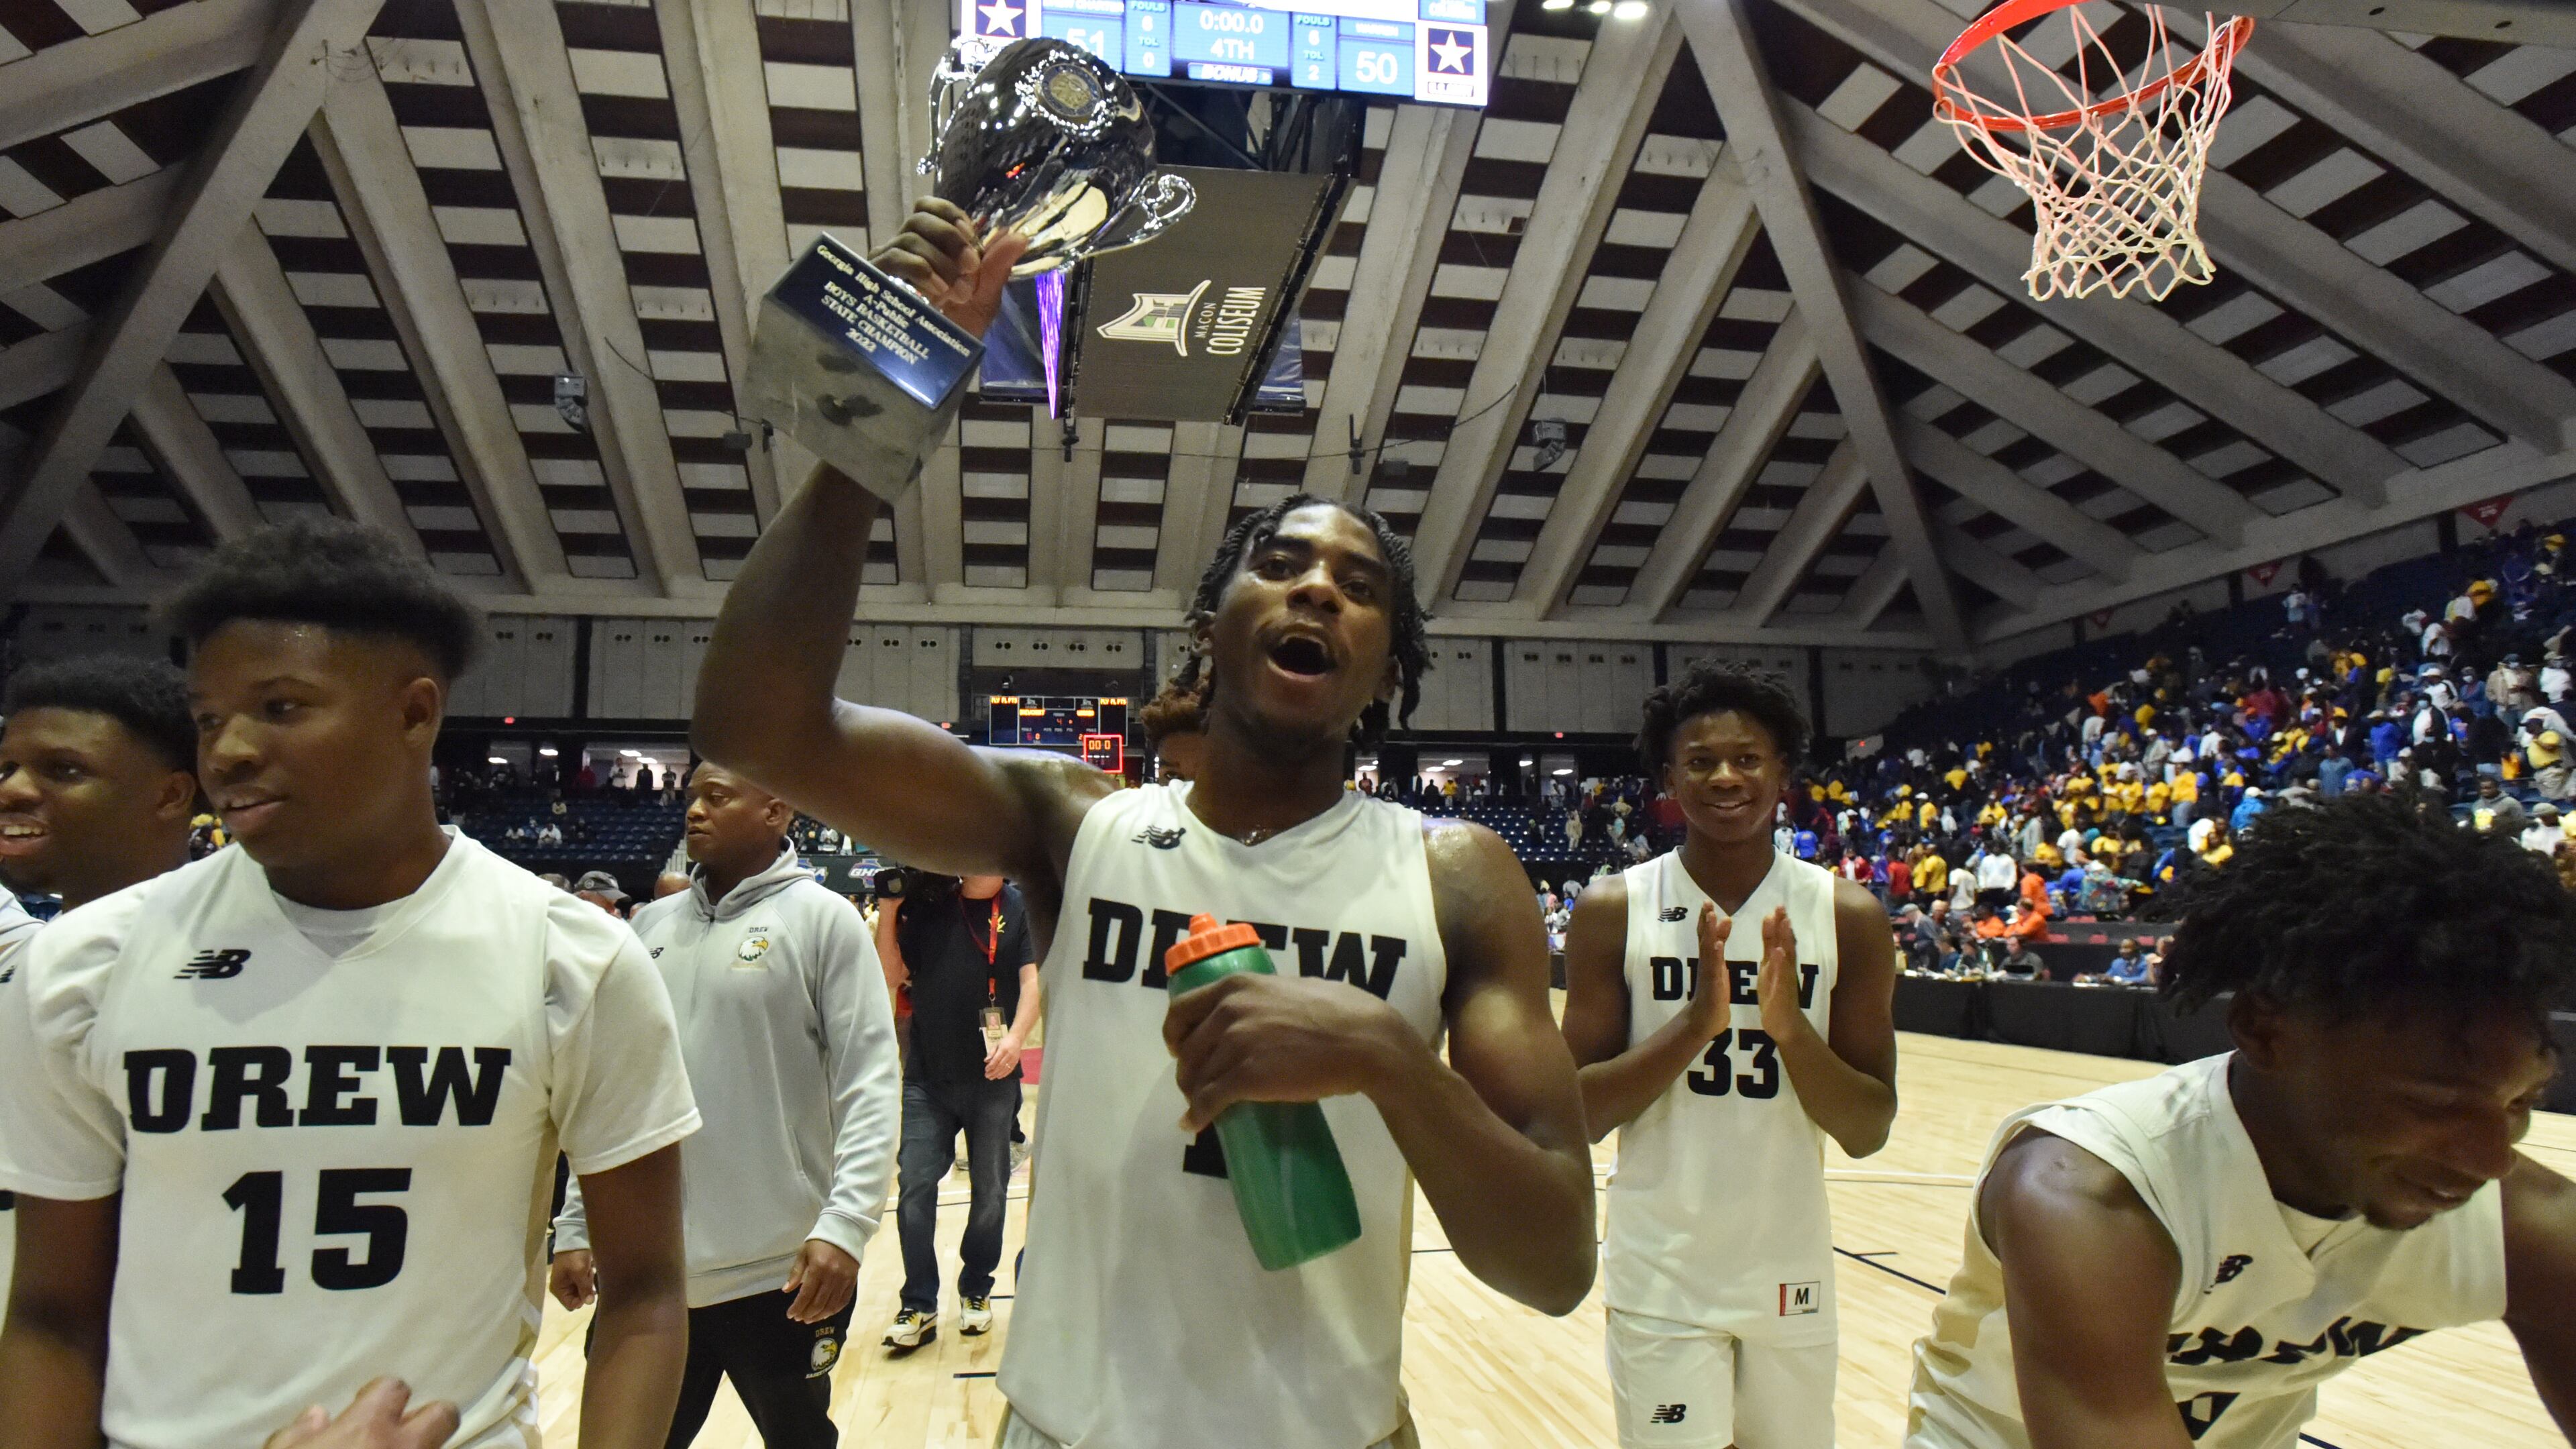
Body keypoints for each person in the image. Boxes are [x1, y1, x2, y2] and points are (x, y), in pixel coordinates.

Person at [689, 196, 1595, 1449]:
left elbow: (1554, 1259)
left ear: (1388, 671)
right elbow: (757, 728)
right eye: (1283, 565)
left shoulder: (1455, 877)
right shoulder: (1074, 824)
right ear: (1213, 626)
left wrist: (1392, 1060)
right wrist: (875, 420)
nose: (1322, 586)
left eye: (1362, 587)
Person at [0, 519, 700, 1449]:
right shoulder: (83, 963)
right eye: (210, 718)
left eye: (280, 708)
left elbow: (645, 1295)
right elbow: (51, 1316)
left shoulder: (571, 959)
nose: (230, 751)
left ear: (415, 713)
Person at [1907, 793, 2576, 1449]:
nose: (2492, 1161)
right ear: (2265, 1030)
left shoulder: (2529, 1228)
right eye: (2434, 1103)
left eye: (2520, 1103)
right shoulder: (2088, 1194)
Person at [1560, 663, 1898, 1449]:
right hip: (1663, 1273)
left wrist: (1790, 1032)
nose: (1725, 777)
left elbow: (1867, 1127)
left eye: (1748, 758)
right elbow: (1574, 1111)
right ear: (1668, 779)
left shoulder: (1846, 915)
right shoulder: (1616, 908)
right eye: (1701, 761)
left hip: (1792, 1272)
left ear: (1783, 771)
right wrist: (1695, 1027)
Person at [551, 761, 898, 1449]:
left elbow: (870, 1079)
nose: (694, 811)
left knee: (799, 1439)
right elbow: (610, 1094)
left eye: (717, 796)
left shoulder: (823, 921)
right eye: (692, 797)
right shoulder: (646, 928)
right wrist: (576, 1225)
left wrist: (847, 1223)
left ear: (776, 812)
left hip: (782, 1268)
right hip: (650, 1274)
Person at [0, 656, 201, 1322]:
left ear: (172, 795)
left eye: (64, 771)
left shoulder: (226, 972)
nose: (13, 790)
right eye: (6, 769)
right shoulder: (40, 947)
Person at [875, 869, 1037, 1348]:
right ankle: (919, 1302)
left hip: (992, 1077)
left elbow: (1032, 983)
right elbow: (891, 974)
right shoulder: (930, 903)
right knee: (915, 1188)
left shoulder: (1019, 905)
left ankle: (976, 1290)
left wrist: (1015, 1039)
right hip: (928, 1076)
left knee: (990, 1193)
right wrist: (888, 912)